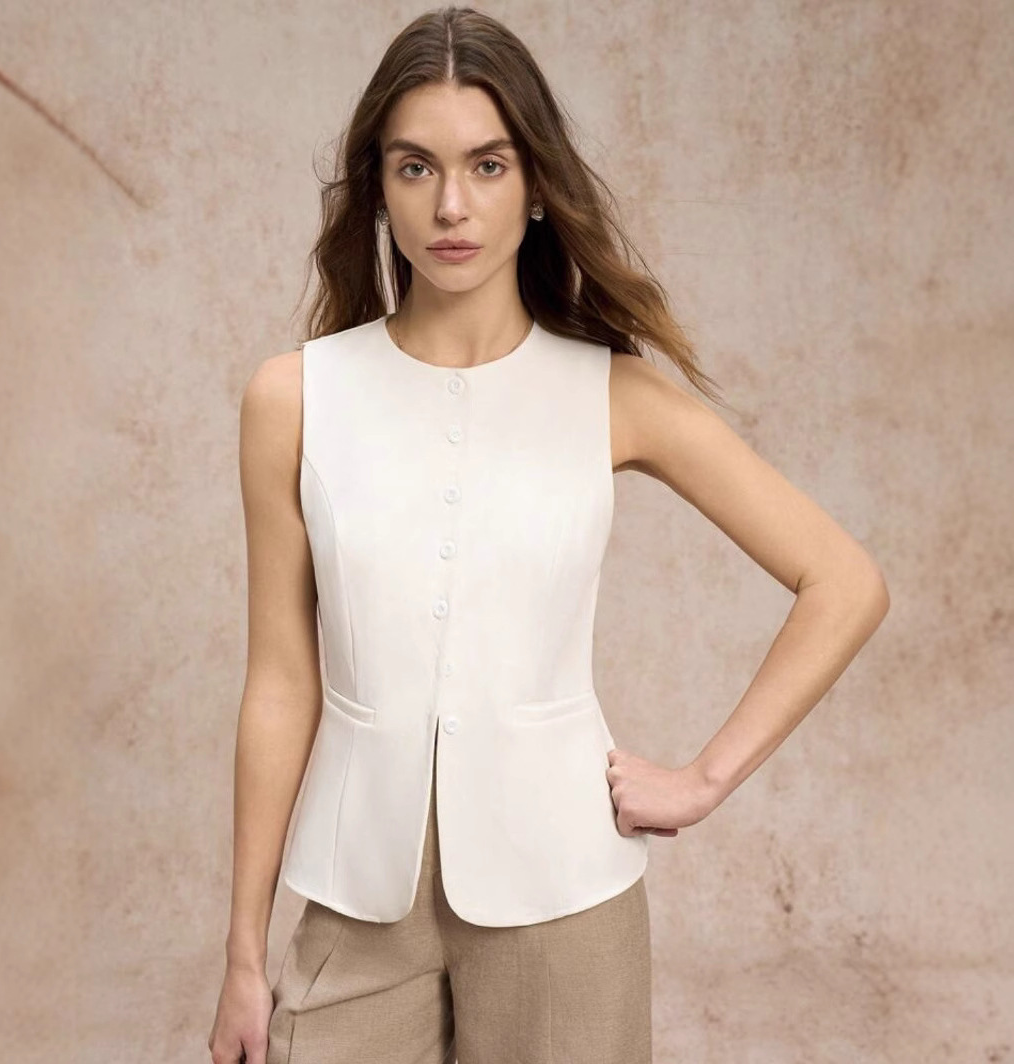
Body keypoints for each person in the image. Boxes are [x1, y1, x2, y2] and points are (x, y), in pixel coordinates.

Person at [207, 7, 890, 1063]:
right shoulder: (295, 399)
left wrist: (702, 779)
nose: (451, 206)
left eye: (487, 165)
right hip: (356, 899)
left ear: (534, 186)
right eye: (415, 167)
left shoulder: (612, 395)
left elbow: (844, 580)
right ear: (377, 188)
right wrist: (244, 956)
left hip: (566, 901)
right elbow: (280, 682)